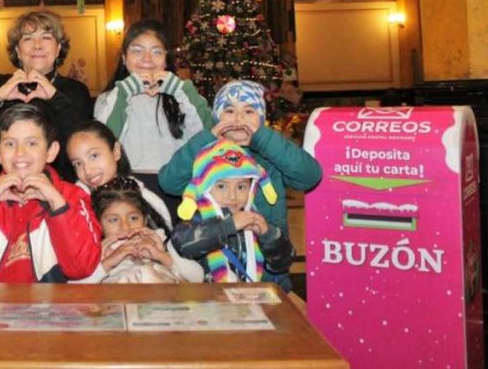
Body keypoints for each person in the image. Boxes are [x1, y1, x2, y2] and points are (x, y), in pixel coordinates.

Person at [159, 79, 320, 290]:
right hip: (211, 274)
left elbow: (309, 176)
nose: (238, 118)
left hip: (268, 275)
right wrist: (206, 139)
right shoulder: (206, 156)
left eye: (249, 111)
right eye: (229, 110)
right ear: (217, 117)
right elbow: (169, 182)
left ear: (261, 118)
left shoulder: (270, 154)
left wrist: (262, 139)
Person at [0, 103, 101, 283]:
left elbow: (81, 268)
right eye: (10, 144)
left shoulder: (72, 196)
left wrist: (57, 205)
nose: (20, 153)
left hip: (52, 306)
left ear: (51, 151)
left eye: (32, 143)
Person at [0, 10, 92, 183]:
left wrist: (55, 97)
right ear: (18, 51)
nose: (37, 45)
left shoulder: (75, 90)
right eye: (28, 38)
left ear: (58, 49)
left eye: (46, 37)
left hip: (57, 191)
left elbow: (83, 138)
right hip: (1, 191)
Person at [95, 19, 214, 208]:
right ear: (124, 58)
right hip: (129, 192)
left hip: (179, 187)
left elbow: (209, 134)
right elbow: (104, 142)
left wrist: (181, 90)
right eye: (137, 50)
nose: (147, 59)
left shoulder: (182, 96)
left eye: (156, 52)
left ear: (166, 59)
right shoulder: (110, 98)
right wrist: (125, 91)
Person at [169, 139, 294, 283]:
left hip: (246, 297)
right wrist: (227, 227)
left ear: (252, 189)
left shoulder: (254, 217)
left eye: (241, 187)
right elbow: (183, 244)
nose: (232, 196)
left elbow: (282, 265)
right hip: (206, 300)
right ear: (206, 188)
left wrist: (268, 235)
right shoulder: (197, 217)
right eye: (222, 186)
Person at [74, 176, 202, 284]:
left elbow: (198, 277)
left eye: (134, 218)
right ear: (99, 225)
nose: (125, 227)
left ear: (145, 220)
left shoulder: (159, 243)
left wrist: (161, 255)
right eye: (113, 220)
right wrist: (108, 263)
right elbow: (71, 289)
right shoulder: (97, 253)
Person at [65, 120, 173, 228]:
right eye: (78, 163)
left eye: (94, 156)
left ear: (116, 151)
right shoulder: (73, 207)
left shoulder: (146, 199)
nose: (87, 170)